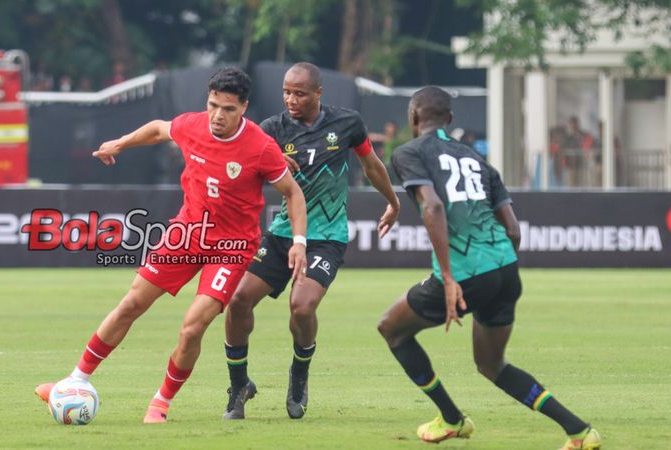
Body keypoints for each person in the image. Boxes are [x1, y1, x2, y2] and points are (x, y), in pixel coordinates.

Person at [35, 67, 309, 424]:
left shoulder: (260, 147)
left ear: (243, 107)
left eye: (227, 109)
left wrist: (299, 242)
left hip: (232, 246)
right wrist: (121, 143)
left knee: (192, 326)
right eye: (212, 105)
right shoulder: (193, 125)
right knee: (131, 303)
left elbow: (293, 193)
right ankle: (75, 380)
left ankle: (160, 402)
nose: (217, 115)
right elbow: (159, 128)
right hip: (187, 234)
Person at [376, 86, 600, 449]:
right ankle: (579, 431)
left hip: (464, 274)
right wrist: (496, 274)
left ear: (413, 118)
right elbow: (513, 229)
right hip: (505, 268)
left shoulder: (409, 152)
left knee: (392, 329)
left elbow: (431, 207)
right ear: (449, 120)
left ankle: (452, 419)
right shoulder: (480, 162)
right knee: (492, 365)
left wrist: (449, 278)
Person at [222, 62, 401, 420]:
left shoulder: (347, 124)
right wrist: (267, 165)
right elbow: (238, 166)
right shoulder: (271, 129)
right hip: (282, 234)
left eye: (300, 93)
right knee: (238, 300)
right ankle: (239, 386)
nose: (291, 99)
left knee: (302, 307)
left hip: (327, 237)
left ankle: (299, 373)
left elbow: (371, 165)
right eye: (286, 91)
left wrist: (393, 201)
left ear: (318, 93)